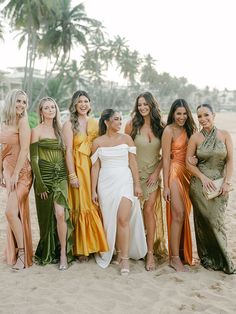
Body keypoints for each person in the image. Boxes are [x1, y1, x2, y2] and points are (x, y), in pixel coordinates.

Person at [91, 109, 147, 275]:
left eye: (121, 119)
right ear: (107, 122)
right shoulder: (97, 142)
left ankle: (124, 259)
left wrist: (137, 185)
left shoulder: (127, 139)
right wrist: (93, 190)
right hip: (105, 184)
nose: (120, 122)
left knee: (123, 218)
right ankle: (115, 251)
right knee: (110, 220)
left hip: (125, 180)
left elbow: (133, 163)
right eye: (116, 119)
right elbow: (95, 167)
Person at [186, 103, 235, 274]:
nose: (203, 119)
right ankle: (208, 258)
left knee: (217, 221)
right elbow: (188, 163)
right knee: (204, 221)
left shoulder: (225, 135)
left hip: (221, 185)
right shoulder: (195, 138)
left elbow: (230, 161)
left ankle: (223, 258)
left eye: (206, 115)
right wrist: (203, 177)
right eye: (199, 116)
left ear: (214, 115)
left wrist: (227, 182)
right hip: (200, 185)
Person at [62, 90, 108, 261]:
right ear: (74, 105)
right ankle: (81, 248)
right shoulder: (68, 125)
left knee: (95, 203)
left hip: (94, 167)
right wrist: (72, 175)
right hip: (78, 169)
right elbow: (67, 151)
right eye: (79, 101)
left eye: (86, 101)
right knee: (82, 205)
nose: (83, 104)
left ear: (90, 104)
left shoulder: (96, 124)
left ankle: (95, 245)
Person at [125, 91, 167, 271]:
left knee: (149, 210)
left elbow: (165, 155)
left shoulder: (162, 127)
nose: (142, 107)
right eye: (139, 104)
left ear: (151, 105)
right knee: (131, 214)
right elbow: (126, 152)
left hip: (152, 176)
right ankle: (131, 250)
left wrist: (156, 173)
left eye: (145, 104)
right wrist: (135, 180)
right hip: (132, 174)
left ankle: (150, 253)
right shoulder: (131, 125)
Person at [30, 97, 73, 270]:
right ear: (41, 111)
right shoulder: (36, 130)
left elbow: (67, 153)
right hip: (44, 177)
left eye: (52, 107)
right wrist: (39, 182)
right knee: (46, 218)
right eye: (46, 108)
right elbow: (33, 158)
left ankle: (63, 253)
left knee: (60, 214)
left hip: (60, 176)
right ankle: (49, 251)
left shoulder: (61, 130)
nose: (50, 110)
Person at [162, 99, 197, 272]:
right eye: (178, 113)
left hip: (188, 174)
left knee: (184, 216)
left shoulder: (191, 129)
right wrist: (166, 186)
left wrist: (195, 159)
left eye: (184, 113)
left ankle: (181, 254)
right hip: (174, 173)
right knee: (178, 214)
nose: (181, 117)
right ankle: (174, 258)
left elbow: (195, 152)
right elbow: (165, 159)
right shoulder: (168, 130)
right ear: (173, 114)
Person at [0, 89, 33, 270]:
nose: (21, 105)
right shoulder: (4, 122)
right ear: (11, 102)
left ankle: (22, 253)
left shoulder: (23, 121)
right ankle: (13, 251)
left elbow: (24, 150)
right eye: (18, 101)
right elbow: (2, 148)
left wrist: (15, 174)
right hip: (7, 171)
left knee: (11, 212)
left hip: (22, 174)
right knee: (14, 213)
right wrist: (1, 172)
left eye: (24, 102)